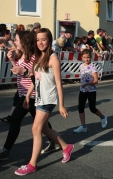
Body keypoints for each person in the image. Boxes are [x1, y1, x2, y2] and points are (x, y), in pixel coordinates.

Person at [15, 28, 74, 176]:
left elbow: (59, 83)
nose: (40, 42)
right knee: (44, 129)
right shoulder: (37, 57)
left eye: (44, 39)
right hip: (39, 97)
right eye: (38, 39)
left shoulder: (53, 58)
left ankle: (32, 164)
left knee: (35, 129)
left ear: (49, 40)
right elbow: (37, 78)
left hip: (49, 99)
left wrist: (61, 105)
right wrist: (28, 95)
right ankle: (66, 147)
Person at [0, 31, 58, 161]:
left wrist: (24, 71)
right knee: (42, 123)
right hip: (23, 93)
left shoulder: (33, 58)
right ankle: (54, 142)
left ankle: (5, 150)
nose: (14, 42)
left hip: (31, 94)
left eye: (16, 40)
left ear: (24, 42)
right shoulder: (22, 55)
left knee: (15, 119)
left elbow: (36, 77)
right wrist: (12, 61)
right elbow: (18, 72)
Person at [73, 49, 107, 133]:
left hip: (91, 91)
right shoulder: (81, 66)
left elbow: (96, 81)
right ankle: (83, 126)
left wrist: (87, 84)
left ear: (91, 57)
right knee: (80, 107)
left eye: (88, 57)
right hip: (82, 90)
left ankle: (103, 117)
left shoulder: (93, 66)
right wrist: (82, 84)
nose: (86, 59)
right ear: (81, 57)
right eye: (84, 57)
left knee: (92, 108)